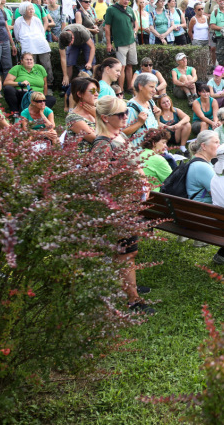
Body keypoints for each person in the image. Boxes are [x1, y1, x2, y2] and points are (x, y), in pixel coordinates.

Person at [91, 95, 153, 315]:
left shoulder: (118, 135)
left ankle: (126, 286)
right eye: (121, 114)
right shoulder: (103, 144)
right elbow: (98, 178)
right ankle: (133, 300)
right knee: (127, 253)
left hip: (130, 202)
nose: (126, 116)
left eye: (126, 112)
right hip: (120, 206)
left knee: (125, 251)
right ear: (105, 118)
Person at [103, 0, 137, 93]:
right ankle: (120, 89)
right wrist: (109, 43)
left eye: (128, 0)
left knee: (130, 65)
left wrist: (134, 32)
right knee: (121, 67)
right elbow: (107, 27)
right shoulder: (111, 9)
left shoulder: (130, 9)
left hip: (131, 42)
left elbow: (136, 23)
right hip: (120, 43)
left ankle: (129, 87)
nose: (126, 1)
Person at [13, 2, 54, 82]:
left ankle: (49, 83)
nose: (32, 11)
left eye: (32, 9)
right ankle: (32, 82)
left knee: (46, 65)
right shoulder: (18, 21)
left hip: (41, 45)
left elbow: (42, 32)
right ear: (23, 10)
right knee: (30, 66)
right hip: (27, 46)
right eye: (29, 9)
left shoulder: (36, 20)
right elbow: (17, 35)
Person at [123, 72, 160, 147]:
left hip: (152, 148)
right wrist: (139, 123)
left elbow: (156, 125)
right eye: (151, 87)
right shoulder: (131, 108)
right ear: (140, 86)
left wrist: (157, 116)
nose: (154, 90)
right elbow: (121, 133)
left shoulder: (150, 102)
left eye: (155, 87)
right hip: (138, 150)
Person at [65, 77, 100, 151]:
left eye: (96, 91)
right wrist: (97, 117)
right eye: (92, 91)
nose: (97, 94)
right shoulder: (73, 117)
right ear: (80, 94)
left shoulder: (95, 112)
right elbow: (98, 141)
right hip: (85, 157)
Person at [58, 24, 96, 88]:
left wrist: (89, 62)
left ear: (73, 37)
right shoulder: (62, 38)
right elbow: (63, 58)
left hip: (86, 42)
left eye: (70, 43)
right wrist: (65, 75)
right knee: (69, 63)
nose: (69, 45)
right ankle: (68, 86)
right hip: (74, 45)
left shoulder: (81, 31)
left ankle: (96, 86)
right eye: (67, 45)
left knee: (93, 64)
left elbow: (92, 47)